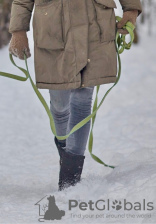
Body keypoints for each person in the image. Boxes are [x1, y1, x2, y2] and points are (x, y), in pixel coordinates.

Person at [8, 0, 142, 191]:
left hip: (94, 31)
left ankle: (70, 180)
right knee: (59, 105)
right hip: (55, 33)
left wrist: (131, 9)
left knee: (82, 103)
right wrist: (18, 31)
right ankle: (65, 148)